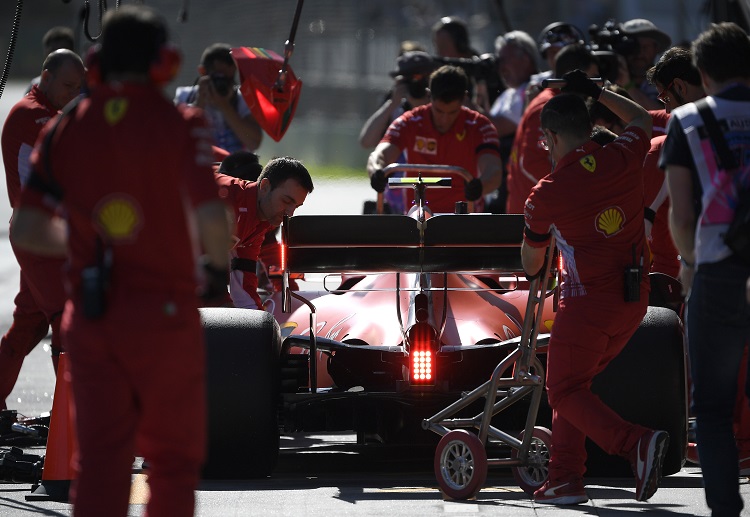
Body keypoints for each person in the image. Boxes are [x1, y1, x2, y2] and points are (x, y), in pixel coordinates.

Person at [10, 6, 233, 516]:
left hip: (92, 318)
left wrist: (92, 240)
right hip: (165, 317)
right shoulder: (184, 124)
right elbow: (211, 217)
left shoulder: (64, 130)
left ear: (94, 63)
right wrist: (216, 272)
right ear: (165, 63)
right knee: (171, 464)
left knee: (99, 464)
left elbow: (26, 227)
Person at [522, 70, 669, 505]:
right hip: (632, 300)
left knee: (563, 391)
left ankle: (634, 444)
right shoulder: (623, 155)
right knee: (575, 388)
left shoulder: (546, 192)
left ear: (549, 135)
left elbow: (531, 264)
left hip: (585, 305)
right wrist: (599, 91)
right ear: (589, 128)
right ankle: (566, 478)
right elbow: (642, 118)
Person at [661, 22, 750, 517]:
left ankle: (725, 511)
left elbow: (681, 213)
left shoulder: (689, 121)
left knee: (714, 411)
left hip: (716, 271)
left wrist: (690, 265)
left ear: (703, 71)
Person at [0, 49, 84, 410]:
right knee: (67, 322)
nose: (72, 93)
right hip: (39, 236)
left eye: (77, 87)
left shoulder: (47, 113)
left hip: (42, 233)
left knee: (29, 326)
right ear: (46, 77)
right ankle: (77, 414)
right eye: (67, 85)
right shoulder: (32, 116)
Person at [366, 65, 502, 214]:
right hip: (418, 216)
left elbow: (493, 170)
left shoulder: (480, 126)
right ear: (429, 96)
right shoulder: (410, 122)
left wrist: (480, 186)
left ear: (464, 99)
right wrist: (377, 172)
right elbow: (380, 154)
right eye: (439, 111)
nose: (444, 119)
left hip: (464, 217)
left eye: (452, 112)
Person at [505, 43, 599, 214]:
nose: (594, 88)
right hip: (531, 215)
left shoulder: (559, 104)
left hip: (544, 211)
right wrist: (574, 192)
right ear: (577, 77)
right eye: (592, 80)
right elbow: (531, 163)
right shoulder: (547, 107)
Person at [215, 156, 313, 310]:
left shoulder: (263, 221)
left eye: (296, 206)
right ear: (265, 186)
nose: (290, 213)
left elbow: (245, 276)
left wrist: (259, 323)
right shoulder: (226, 202)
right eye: (286, 201)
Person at [359, 50, 436, 214]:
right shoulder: (396, 112)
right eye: (410, 80)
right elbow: (366, 141)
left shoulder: (441, 113)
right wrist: (392, 103)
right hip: (397, 201)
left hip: (434, 197)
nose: (417, 86)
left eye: (421, 79)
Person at [174, 42, 262, 153]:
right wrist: (199, 104)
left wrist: (226, 107)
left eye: (228, 79)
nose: (222, 84)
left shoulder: (242, 99)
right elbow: (175, 137)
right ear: (203, 72)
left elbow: (254, 142)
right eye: (218, 78)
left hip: (235, 167)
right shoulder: (185, 96)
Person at [619, 18, 672, 109]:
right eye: (634, 47)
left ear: (656, 49)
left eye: (646, 47)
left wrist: (628, 86)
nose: (639, 53)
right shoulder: (609, 79)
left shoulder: (667, 84)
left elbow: (664, 117)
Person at [26, 26, 75, 93]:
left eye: (62, 51)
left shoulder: (84, 84)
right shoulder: (35, 86)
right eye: (53, 51)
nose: (58, 57)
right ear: (46, 53)